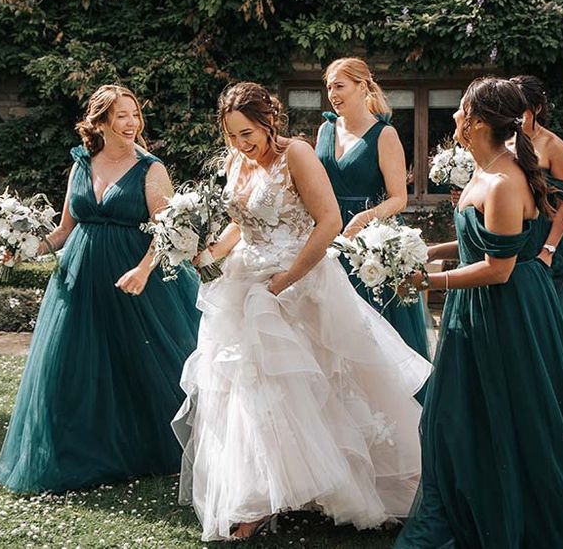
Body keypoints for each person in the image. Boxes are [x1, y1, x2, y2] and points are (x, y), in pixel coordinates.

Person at [173, 82, 432, 542]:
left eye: (248, 133)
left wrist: (286, 280)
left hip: (297, 283)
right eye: (232, 135)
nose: (241, 144)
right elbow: (241, 222)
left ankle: (345, 483)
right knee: (249, 393)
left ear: (270, 121)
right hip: (242, 284)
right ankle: (258, 495)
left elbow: (329, 220)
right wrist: (210, 254)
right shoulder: (236, 162)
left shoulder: (298, 155)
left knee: (322, 387)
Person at [394, 77, 563, 548]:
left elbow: (498, 268)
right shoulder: (485, 170)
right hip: (479, 307)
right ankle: (466, 503)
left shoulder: (502, 180)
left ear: (475, 121)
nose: (453, 116)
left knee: (508, 415)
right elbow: (484, 239)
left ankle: (507, 512)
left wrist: (428, 282)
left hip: (507, 311)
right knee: (459, 413)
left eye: (459, 110)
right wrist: (428, 249)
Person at [0, 84, 201, 493]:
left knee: (145, 362)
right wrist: (22, 249)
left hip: (135, 277)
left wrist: (144, 270)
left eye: (135, 115)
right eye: (122, 115)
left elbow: (169, 232)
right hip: (80, 277)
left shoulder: (151, 169)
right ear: (101, 122)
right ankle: (79, 450)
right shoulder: (81, 165)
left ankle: (161, 445)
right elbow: (64, 231)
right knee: (73, 364)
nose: (132, 123)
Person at [316, 57, 431, 365]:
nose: (333, 94)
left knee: (372, 325)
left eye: (340, 86)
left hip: (369, 239)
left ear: (362, 86)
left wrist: (363, 218)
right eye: (329, 87)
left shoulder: (384, 134)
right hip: (327, 232)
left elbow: (399, 198)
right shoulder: (324, 130)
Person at [508, 74, 563, 336]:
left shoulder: (554, 146)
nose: (514, 117)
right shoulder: (502, 141)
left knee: (545, 327)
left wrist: (548, 249)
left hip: (542, 241)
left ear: (536, 108)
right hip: (510, 238)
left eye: (521, 110)